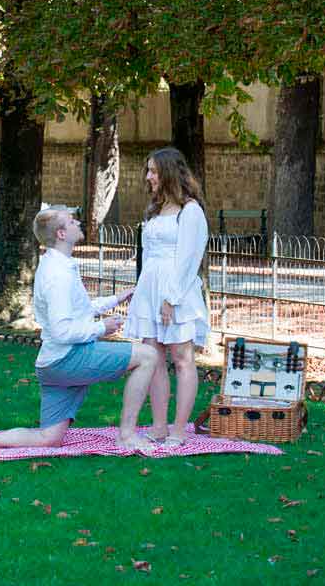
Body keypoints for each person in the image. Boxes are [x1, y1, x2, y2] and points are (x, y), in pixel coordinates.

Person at [0, 206, 158, 456]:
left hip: (52, 364)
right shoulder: (57, 274)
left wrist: (115, 299)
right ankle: (127, 436)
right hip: (68, 359)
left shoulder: (58, 265)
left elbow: (78, 310)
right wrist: (101, 327)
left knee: (49, 438)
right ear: (62, 234)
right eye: (72, 221)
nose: (78, 223)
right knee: (148, 356)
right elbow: (62, 330)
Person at [126, 147, 211, 448]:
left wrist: (170, 299)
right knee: (154, 358)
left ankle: (178, 430)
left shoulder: (191, 211)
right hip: (150, 289)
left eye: (153, 171)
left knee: (182, 359)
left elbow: (189, 259)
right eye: (148, 170)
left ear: (169, 173)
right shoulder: (155, 210)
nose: (148, 177)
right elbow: (148, 256)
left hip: (178, 292)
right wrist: (142, 292)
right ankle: (160, 426)